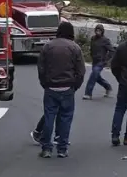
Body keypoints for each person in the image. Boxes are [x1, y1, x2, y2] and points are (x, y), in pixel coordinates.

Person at [37, 21, 86, 158]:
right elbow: (81, 71)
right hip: (68, 87)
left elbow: (41, 68)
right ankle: (62, 149)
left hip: (51, 87)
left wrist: (45, 83)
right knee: (66, 118)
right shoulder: (75, 48)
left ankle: (46, 148)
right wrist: (75, 86)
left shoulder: (48, 46)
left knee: (49, 117)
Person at [84, 24, 114, 99]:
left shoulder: (105, 40)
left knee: (93, 76)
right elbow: (92, 48)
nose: (98, 32)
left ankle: (88, 94)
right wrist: (91, 55)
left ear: (102, 31)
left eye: (99, 30)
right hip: (94, 61)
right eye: (97, 30)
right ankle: (108, 87)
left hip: (101, 62)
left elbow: (112, 51)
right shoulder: (93, 38)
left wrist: (105, 60)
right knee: (96, 77)